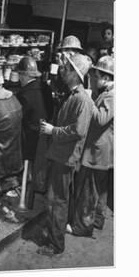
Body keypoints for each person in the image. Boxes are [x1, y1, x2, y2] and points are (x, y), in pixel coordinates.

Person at [38, 53, 93, 256]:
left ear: (75, 75)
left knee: (57, 201)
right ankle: (55, 232)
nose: (63, 71)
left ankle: (56, 244)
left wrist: (54, 131)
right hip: (60, 154)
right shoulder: (72, 95)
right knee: (57, 199)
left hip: (65, 157)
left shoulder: (82, 100)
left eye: (67, 69)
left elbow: (79, 131)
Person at [69, 56, 114, 236]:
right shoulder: (108, 92)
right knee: (100, 190)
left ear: (107, 77)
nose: (95, 77)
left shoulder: (112, 95)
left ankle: (81, 227)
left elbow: (101, 119)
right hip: (102, 151)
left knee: (89, 191)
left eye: (98, 74)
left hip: (98, 152)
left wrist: (88, 100)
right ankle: (97, 220)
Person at [16, 56, 53, 163]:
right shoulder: (45, 87)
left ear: (23, 76)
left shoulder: (23, 95)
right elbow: (50, 109)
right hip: (45, 134)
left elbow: (20, 120)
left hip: (28, 139)